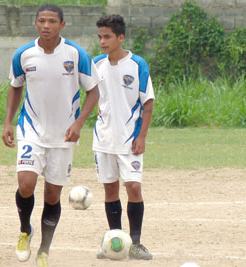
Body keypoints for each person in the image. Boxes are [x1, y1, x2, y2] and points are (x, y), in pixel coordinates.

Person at [1, 4, 101, 267]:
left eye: (52, 21)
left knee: (53, 196)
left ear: (62, 25)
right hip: (30, 130)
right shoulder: (23, 54)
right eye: (42, 21)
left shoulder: (76, 54)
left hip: (64, 135)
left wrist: (79, 123)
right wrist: (7, 123)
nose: (46, 25)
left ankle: (44, 249)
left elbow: (93, 91)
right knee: (25, 184)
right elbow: (15, 87)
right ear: (36, 24)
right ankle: (25, 231)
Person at [92, 14, 154, 260]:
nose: (102, 41)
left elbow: (147, 102)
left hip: (130, 139)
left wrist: (143, 136)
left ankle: (136, 243)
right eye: (99, 37)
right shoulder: (96, 64)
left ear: (120, 37)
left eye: (107, 37)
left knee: (134, 187)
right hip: (103, 139)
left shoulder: (138, 64)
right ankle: (115, 241)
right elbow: (90, 96)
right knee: (110, 190)